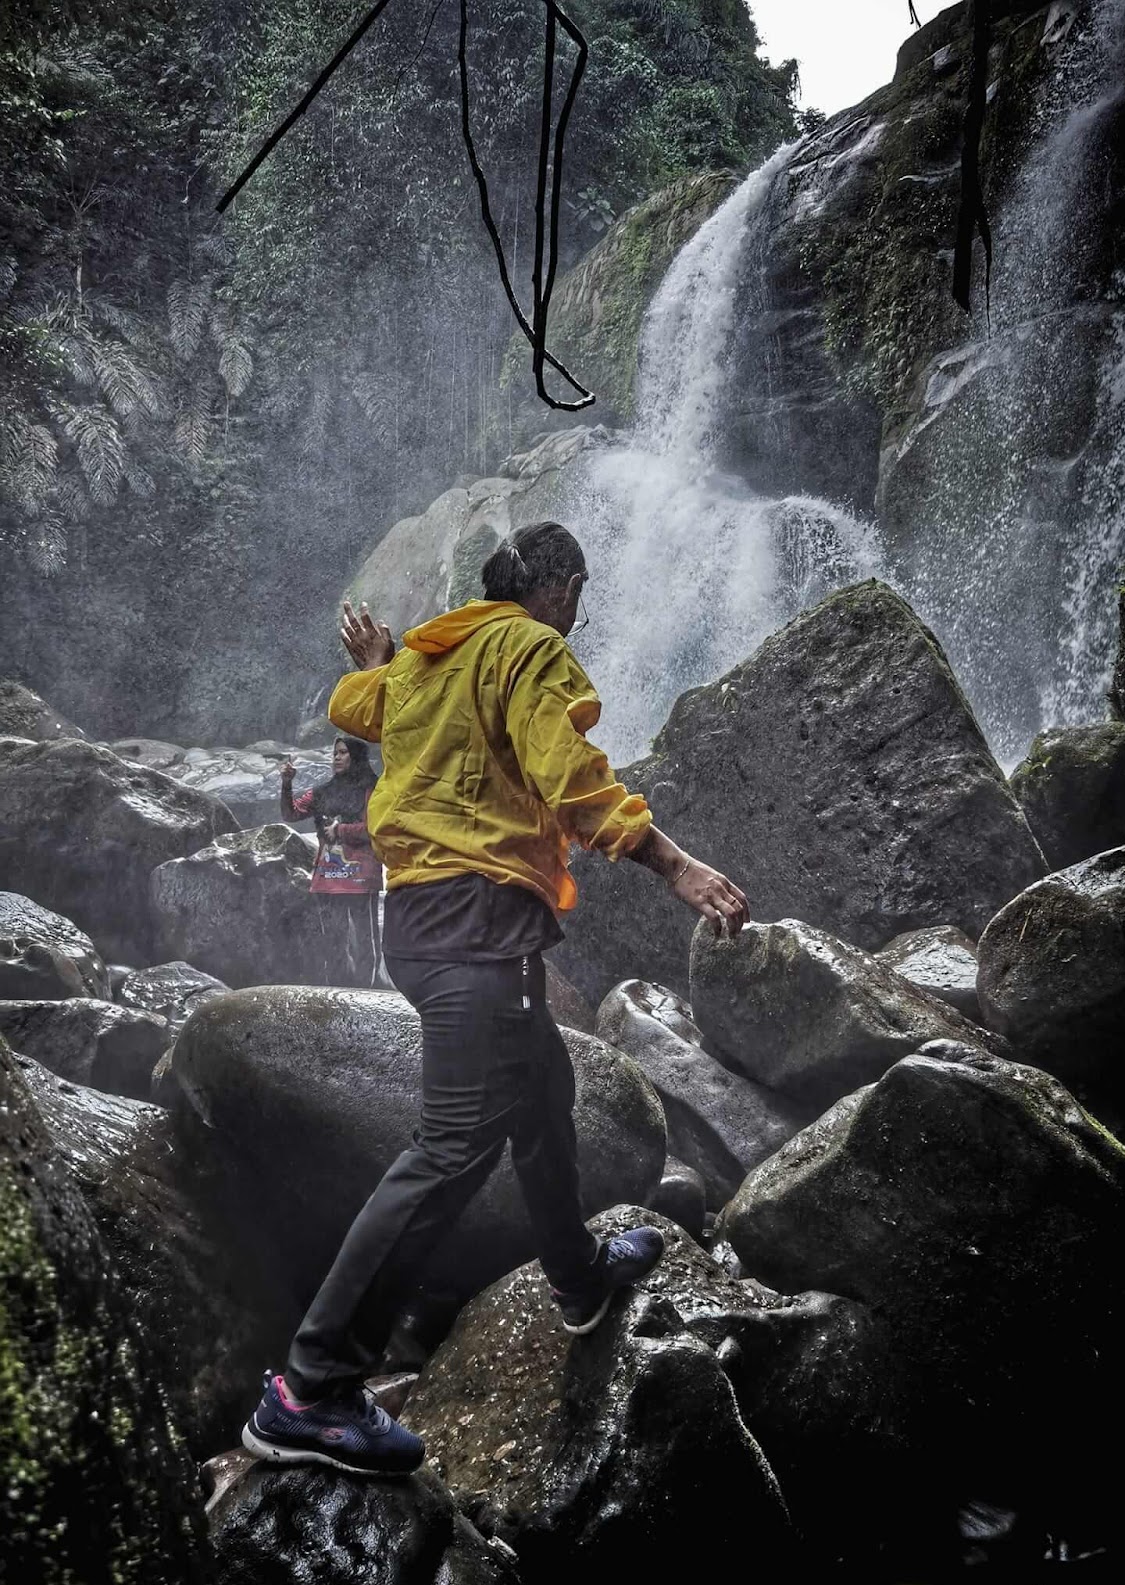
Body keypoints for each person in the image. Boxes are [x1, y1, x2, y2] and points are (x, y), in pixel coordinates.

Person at [243, 520, 750, 1477]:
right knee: (454, 1143)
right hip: (477, 925)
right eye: (580, 588)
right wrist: (674, 865)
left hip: (426, 924)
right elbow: (570, 779)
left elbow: (359, 706)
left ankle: (578, 1279)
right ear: (553, 586)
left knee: (542, 1093)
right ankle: (310, 1389)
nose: (582, 609)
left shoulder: (434, 657)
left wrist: (381, 657)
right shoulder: (528, 646)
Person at [280, 736, 383, 985]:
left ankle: (366, 993)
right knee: (334, 939)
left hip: (360, 877)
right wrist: (286, 784)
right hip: (329, 877)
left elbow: (375, 827)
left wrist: (341, 830)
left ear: (356, 757)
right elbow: (290, 813)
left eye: (343, 752)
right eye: (335, 753)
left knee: (364, 940)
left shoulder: (373, 790)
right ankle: (337, 991)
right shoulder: (323, 791)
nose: (336, 757)